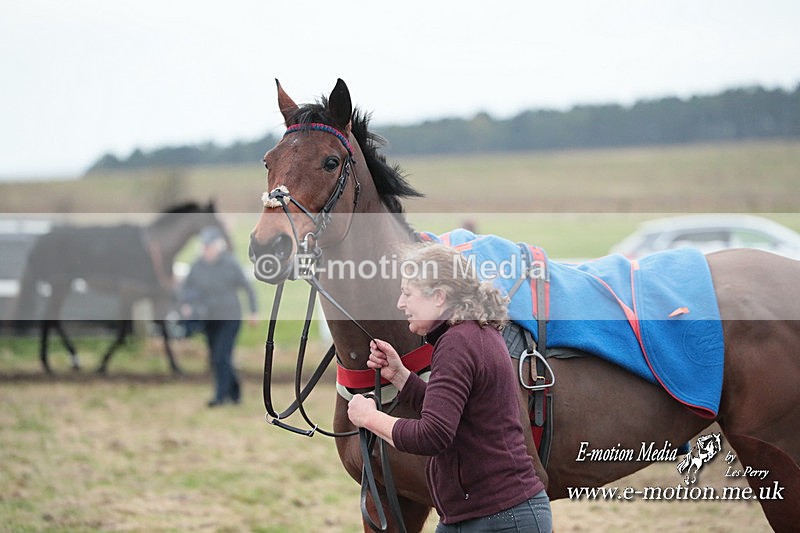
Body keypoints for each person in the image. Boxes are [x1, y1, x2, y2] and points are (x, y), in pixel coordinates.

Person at [347, 243, 552, 533]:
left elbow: (433, 435)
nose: (400, 304)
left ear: (439, 297)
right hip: (483, 516)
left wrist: (368, 418)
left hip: (501, 520)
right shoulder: (469, 334)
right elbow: (451, 412)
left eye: (408, 293)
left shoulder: (457, 343)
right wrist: (401, 376)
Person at [179, 226, 258, 407]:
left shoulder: (230, 264)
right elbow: (186, 288)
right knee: (216, 357)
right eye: (204, 247)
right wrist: (186, 305)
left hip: (229, 318)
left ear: (217, 247)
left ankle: (220, 397)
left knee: (222, 356)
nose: (207, 251)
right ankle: (235, 392)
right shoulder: (197, 266)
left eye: (210, 247)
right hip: (208, 318)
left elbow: (248, 288)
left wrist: (254, 312)